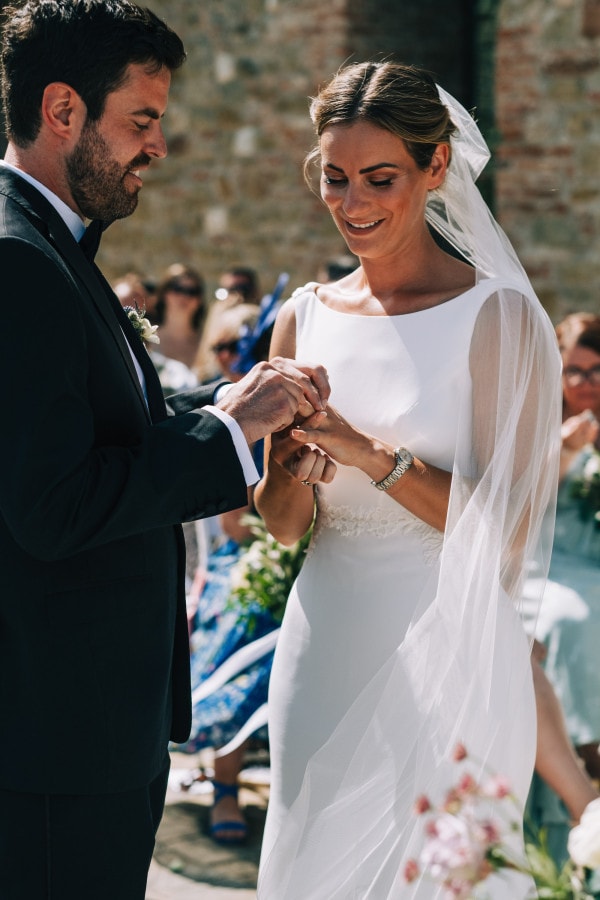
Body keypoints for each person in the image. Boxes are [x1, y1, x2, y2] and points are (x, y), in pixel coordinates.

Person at [0, 4, 328, 899]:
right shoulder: (17, 260)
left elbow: (94, 425)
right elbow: (52, 504)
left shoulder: (52, 246)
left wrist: (223, 402)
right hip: (57, 747)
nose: (160, 146)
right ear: (63, 110)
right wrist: (229, 432)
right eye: (141, 121)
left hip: (93, 730)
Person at [254, 61, 562, 899]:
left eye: (380, 179)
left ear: (436, 169)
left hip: (449, 651)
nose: (353, 204)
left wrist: (368, 454)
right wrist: (288, 466)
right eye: (335, 178)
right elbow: (283, 525)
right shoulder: (305, 314)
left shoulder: (497, 316)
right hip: (324, 642)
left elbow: (503, 529)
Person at [524, 312, 600, 864]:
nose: (586, 383)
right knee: (572, 618)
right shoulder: (537, 421)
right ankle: (582, 768)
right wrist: (567, 451)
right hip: (542, 563)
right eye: (575, 371)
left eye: (597, 371)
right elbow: (519, 507)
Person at [153, 261, 207, 367]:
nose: (184, 296)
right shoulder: (147, 340)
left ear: (199, 300)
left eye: (192, 291)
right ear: (164, 293)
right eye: (177, 289)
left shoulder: (208, 342)